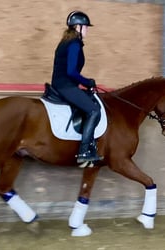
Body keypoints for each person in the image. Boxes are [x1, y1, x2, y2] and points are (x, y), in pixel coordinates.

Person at [50, 10, 104, 164]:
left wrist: (83, 86)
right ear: (77, 27)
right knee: (94, 110)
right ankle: (84, 151)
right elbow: (71, 71)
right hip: (65, 86)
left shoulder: (66, 42)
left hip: (63, 84)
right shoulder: (74, 44)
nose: (87, 30)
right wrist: (88, 82)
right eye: (85, 27)